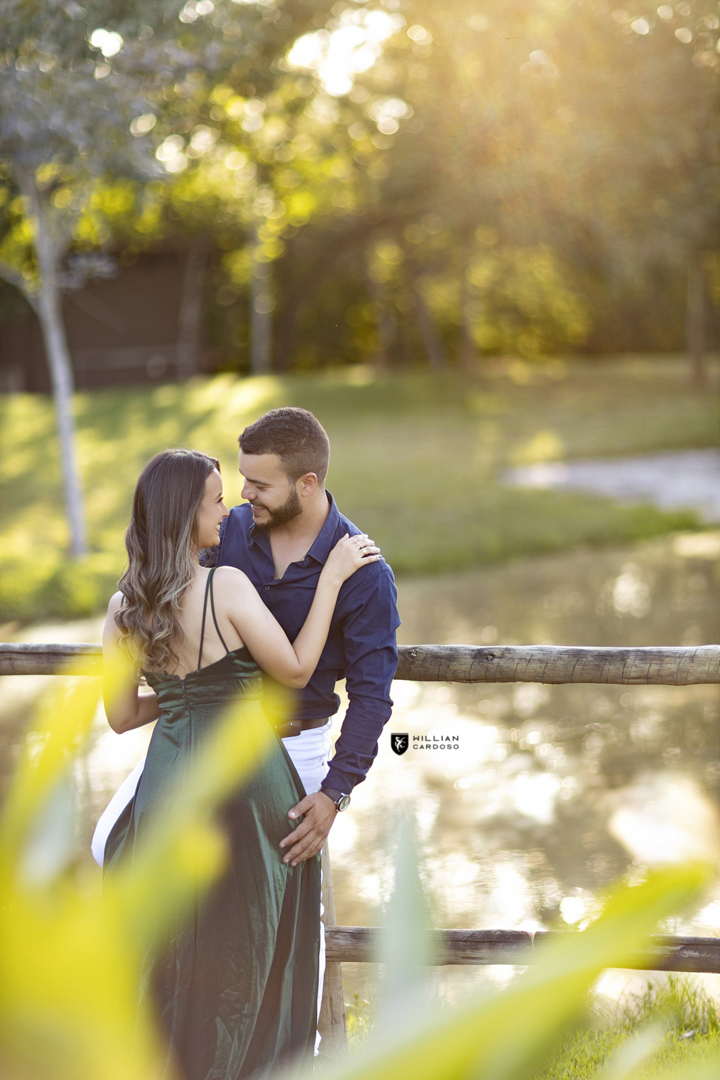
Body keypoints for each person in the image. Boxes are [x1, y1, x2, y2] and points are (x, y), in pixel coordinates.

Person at [101, 448, 380, 1080]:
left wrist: (179, 696)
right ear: (185, 516)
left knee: (178, 936)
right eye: (215, 501)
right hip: (244, 777)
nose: (226, 512)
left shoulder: (122, 610)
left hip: (169, 778)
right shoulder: (224, 586)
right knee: (252, 940)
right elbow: (297, 669)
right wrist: (332, 577)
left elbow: (119, 717)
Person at [214, 407, 401, 863]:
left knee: (289, 913)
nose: (244, 493)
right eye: (244, 479)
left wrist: (335, 792)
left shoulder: (365, 574)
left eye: (260, 485)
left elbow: (371, 696)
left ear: (307, 483)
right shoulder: (225, 532)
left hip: (296, 753)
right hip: (210, 745)